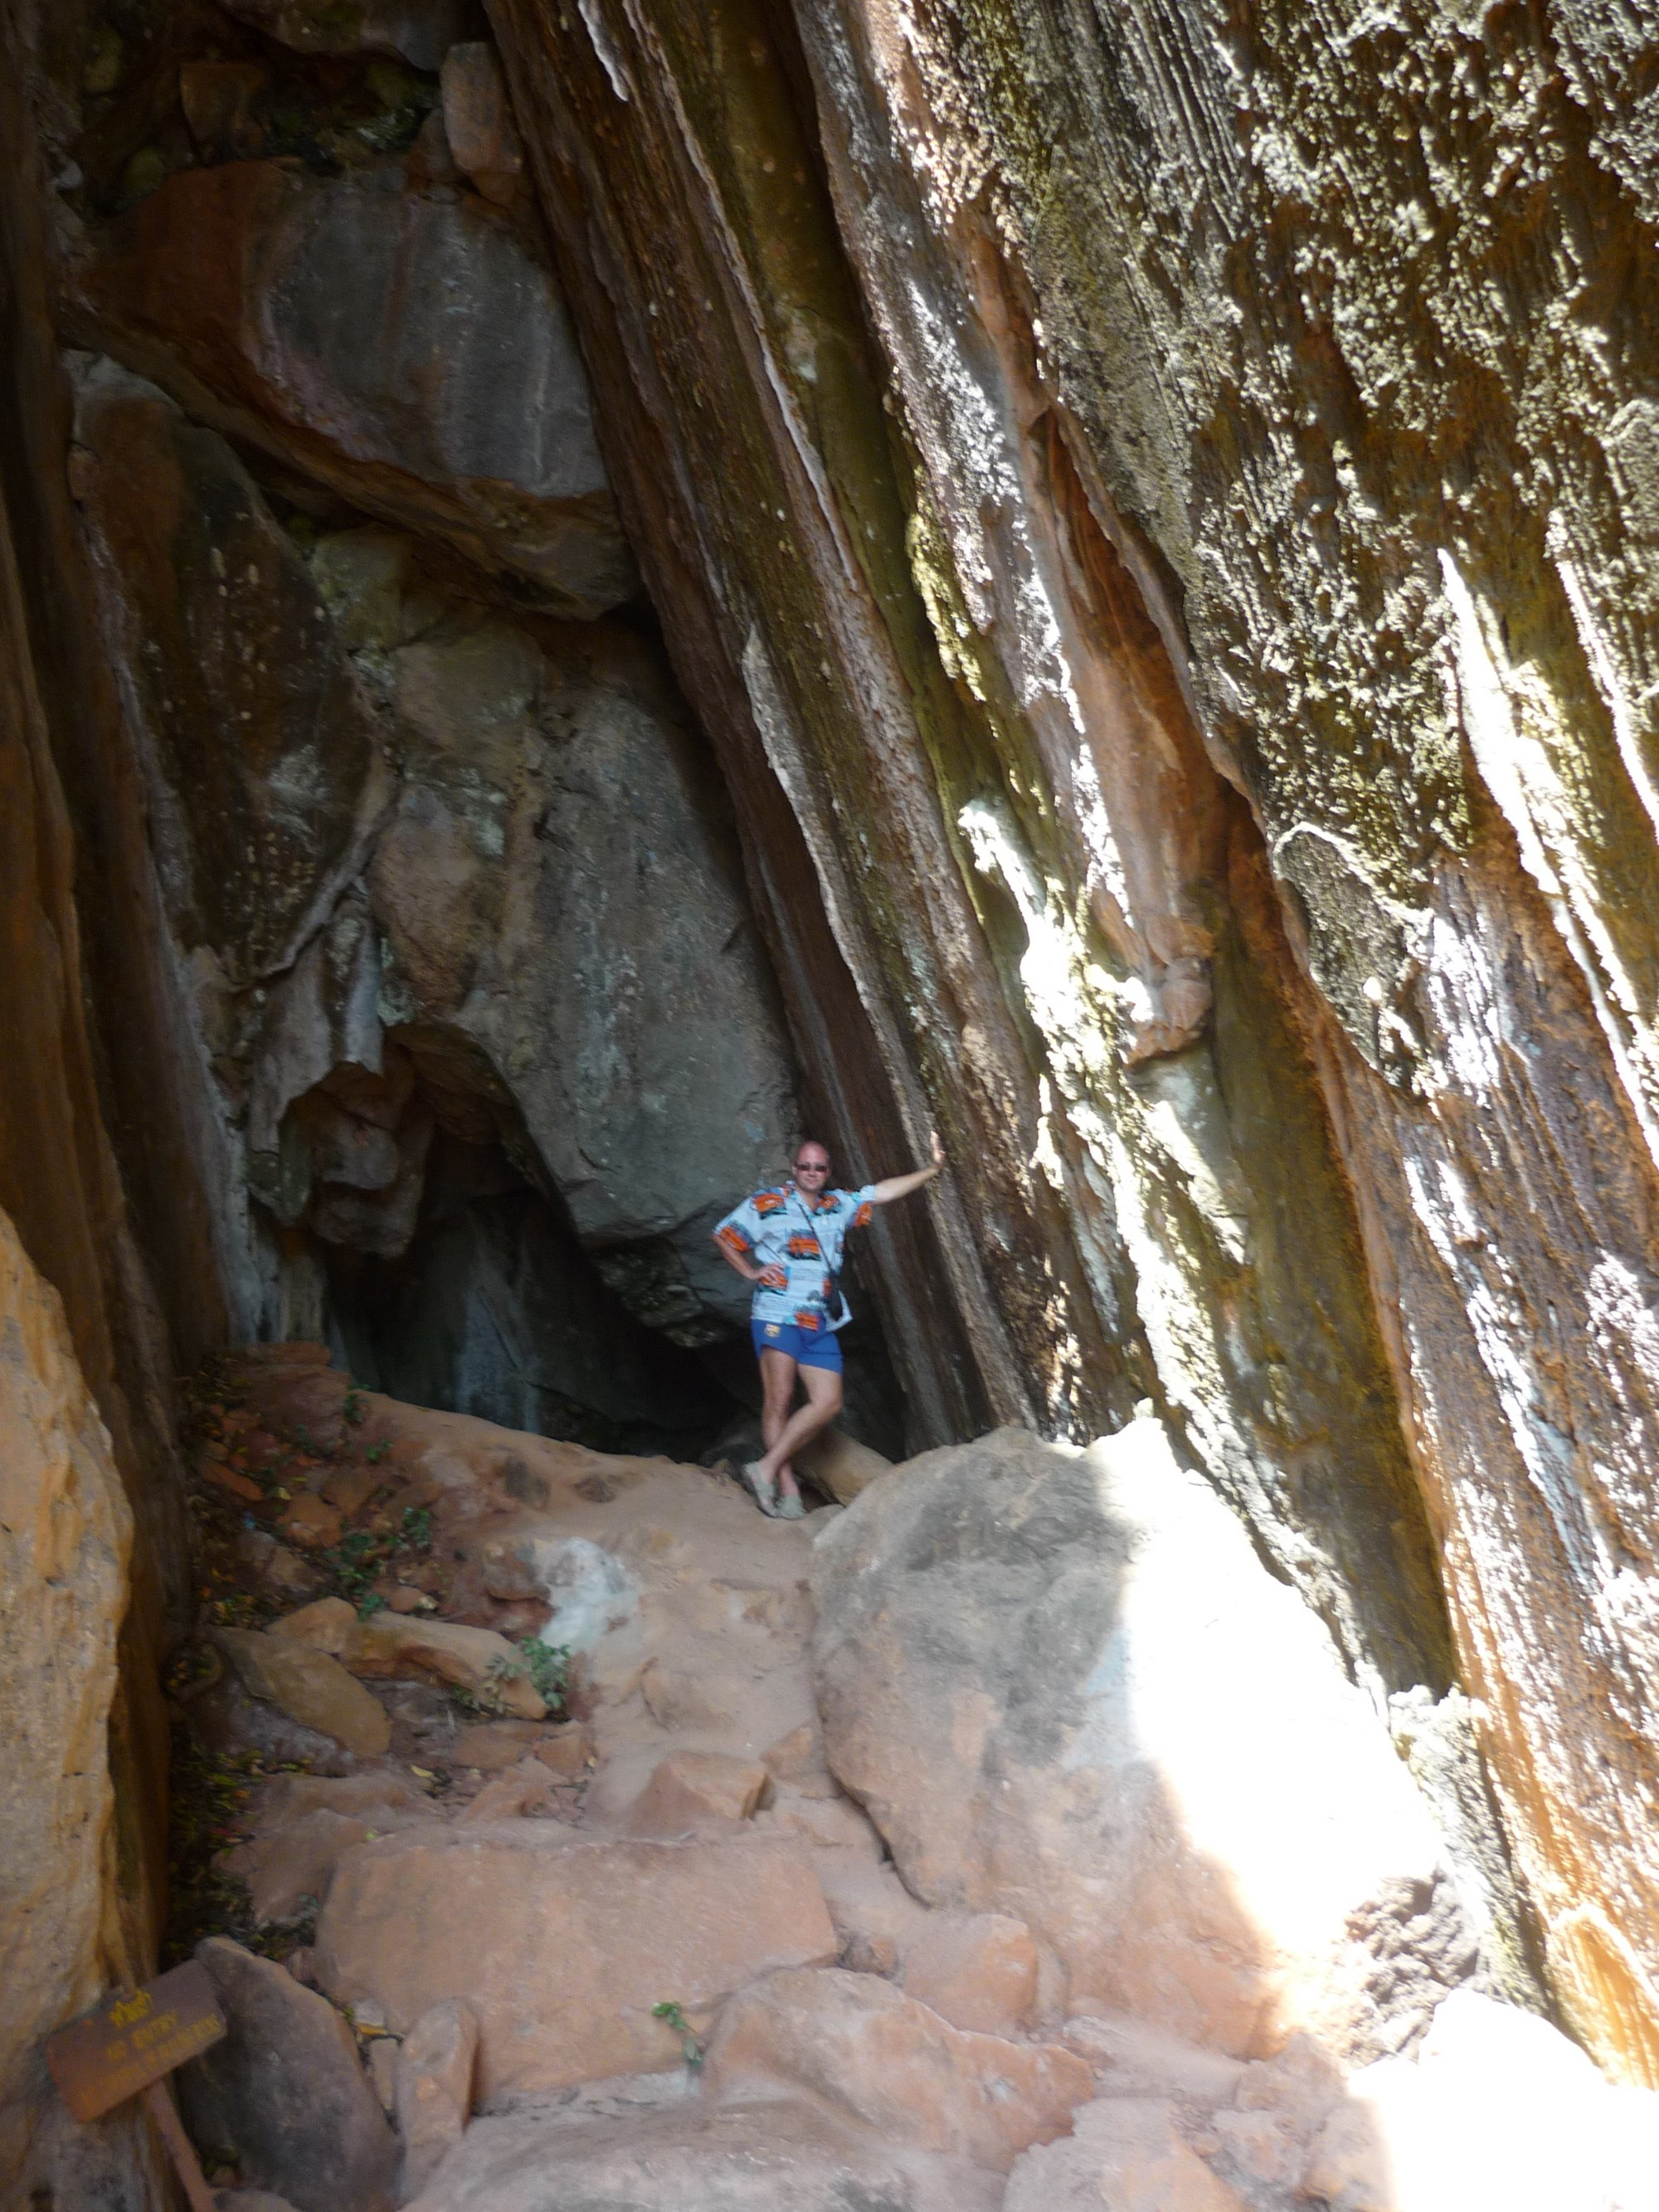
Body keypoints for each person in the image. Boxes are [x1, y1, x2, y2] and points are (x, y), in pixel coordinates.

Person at [713, 1132, 945, 1518]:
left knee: (828, 1402)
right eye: (805, 1166)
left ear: (828, 1172)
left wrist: (932, 1170)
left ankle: (764, 1469)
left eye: (819, 1167)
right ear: (794, 1168)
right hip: (776, 1314)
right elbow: (725, 1236)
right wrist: (751, 1271)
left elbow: (882, 1193)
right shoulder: (769, 1203)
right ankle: (787, 1491)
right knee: (780, 1399)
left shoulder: (838, 1206)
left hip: (817, 1319)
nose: (811, 1172)